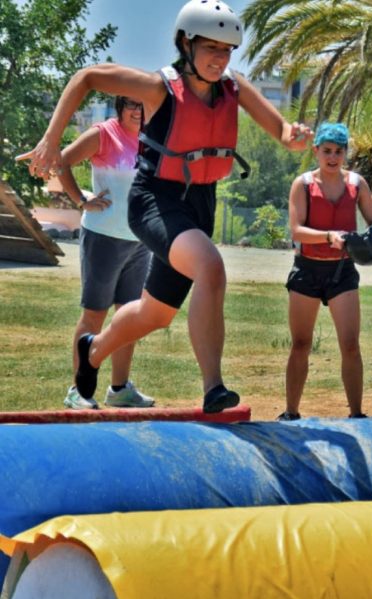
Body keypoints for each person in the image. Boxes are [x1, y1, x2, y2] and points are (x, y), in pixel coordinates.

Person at [18, 0, 312, 413]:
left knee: (156, 313)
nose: (220, 58)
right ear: (185, 43)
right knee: (211, 266)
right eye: (211, 47)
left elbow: (280, 130)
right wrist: (51, 140)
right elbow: (87, 77)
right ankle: (214, 389)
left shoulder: (234, 87)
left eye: (227, 50)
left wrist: (292, 135)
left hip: (199, 204)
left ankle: (94, 351)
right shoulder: (159, 87)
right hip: (155, 198)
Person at [279, 122, 372, 420]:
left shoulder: (357, 184)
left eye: (339, 151)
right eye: (327, 151)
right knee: (300, 344)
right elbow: (297, 229)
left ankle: (357, 413)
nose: (333, 157)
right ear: (316, 151)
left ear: (346, 153)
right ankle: (291, 412)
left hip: (342, 271)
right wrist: (328, 237)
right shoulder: (303, 184)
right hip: (307, 270)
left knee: (350, 345)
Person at [59, 95, 154, 410]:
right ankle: (78, 391)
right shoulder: (103, 133)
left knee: (129, 318)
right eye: (131, 104)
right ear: (120, 106)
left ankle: (119, 389)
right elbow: (62, 161)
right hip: (103, 238)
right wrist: (80, 199)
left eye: (142, 104)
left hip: (140, 242)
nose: (137, 111)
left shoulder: (150, 139)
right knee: (94, 316)